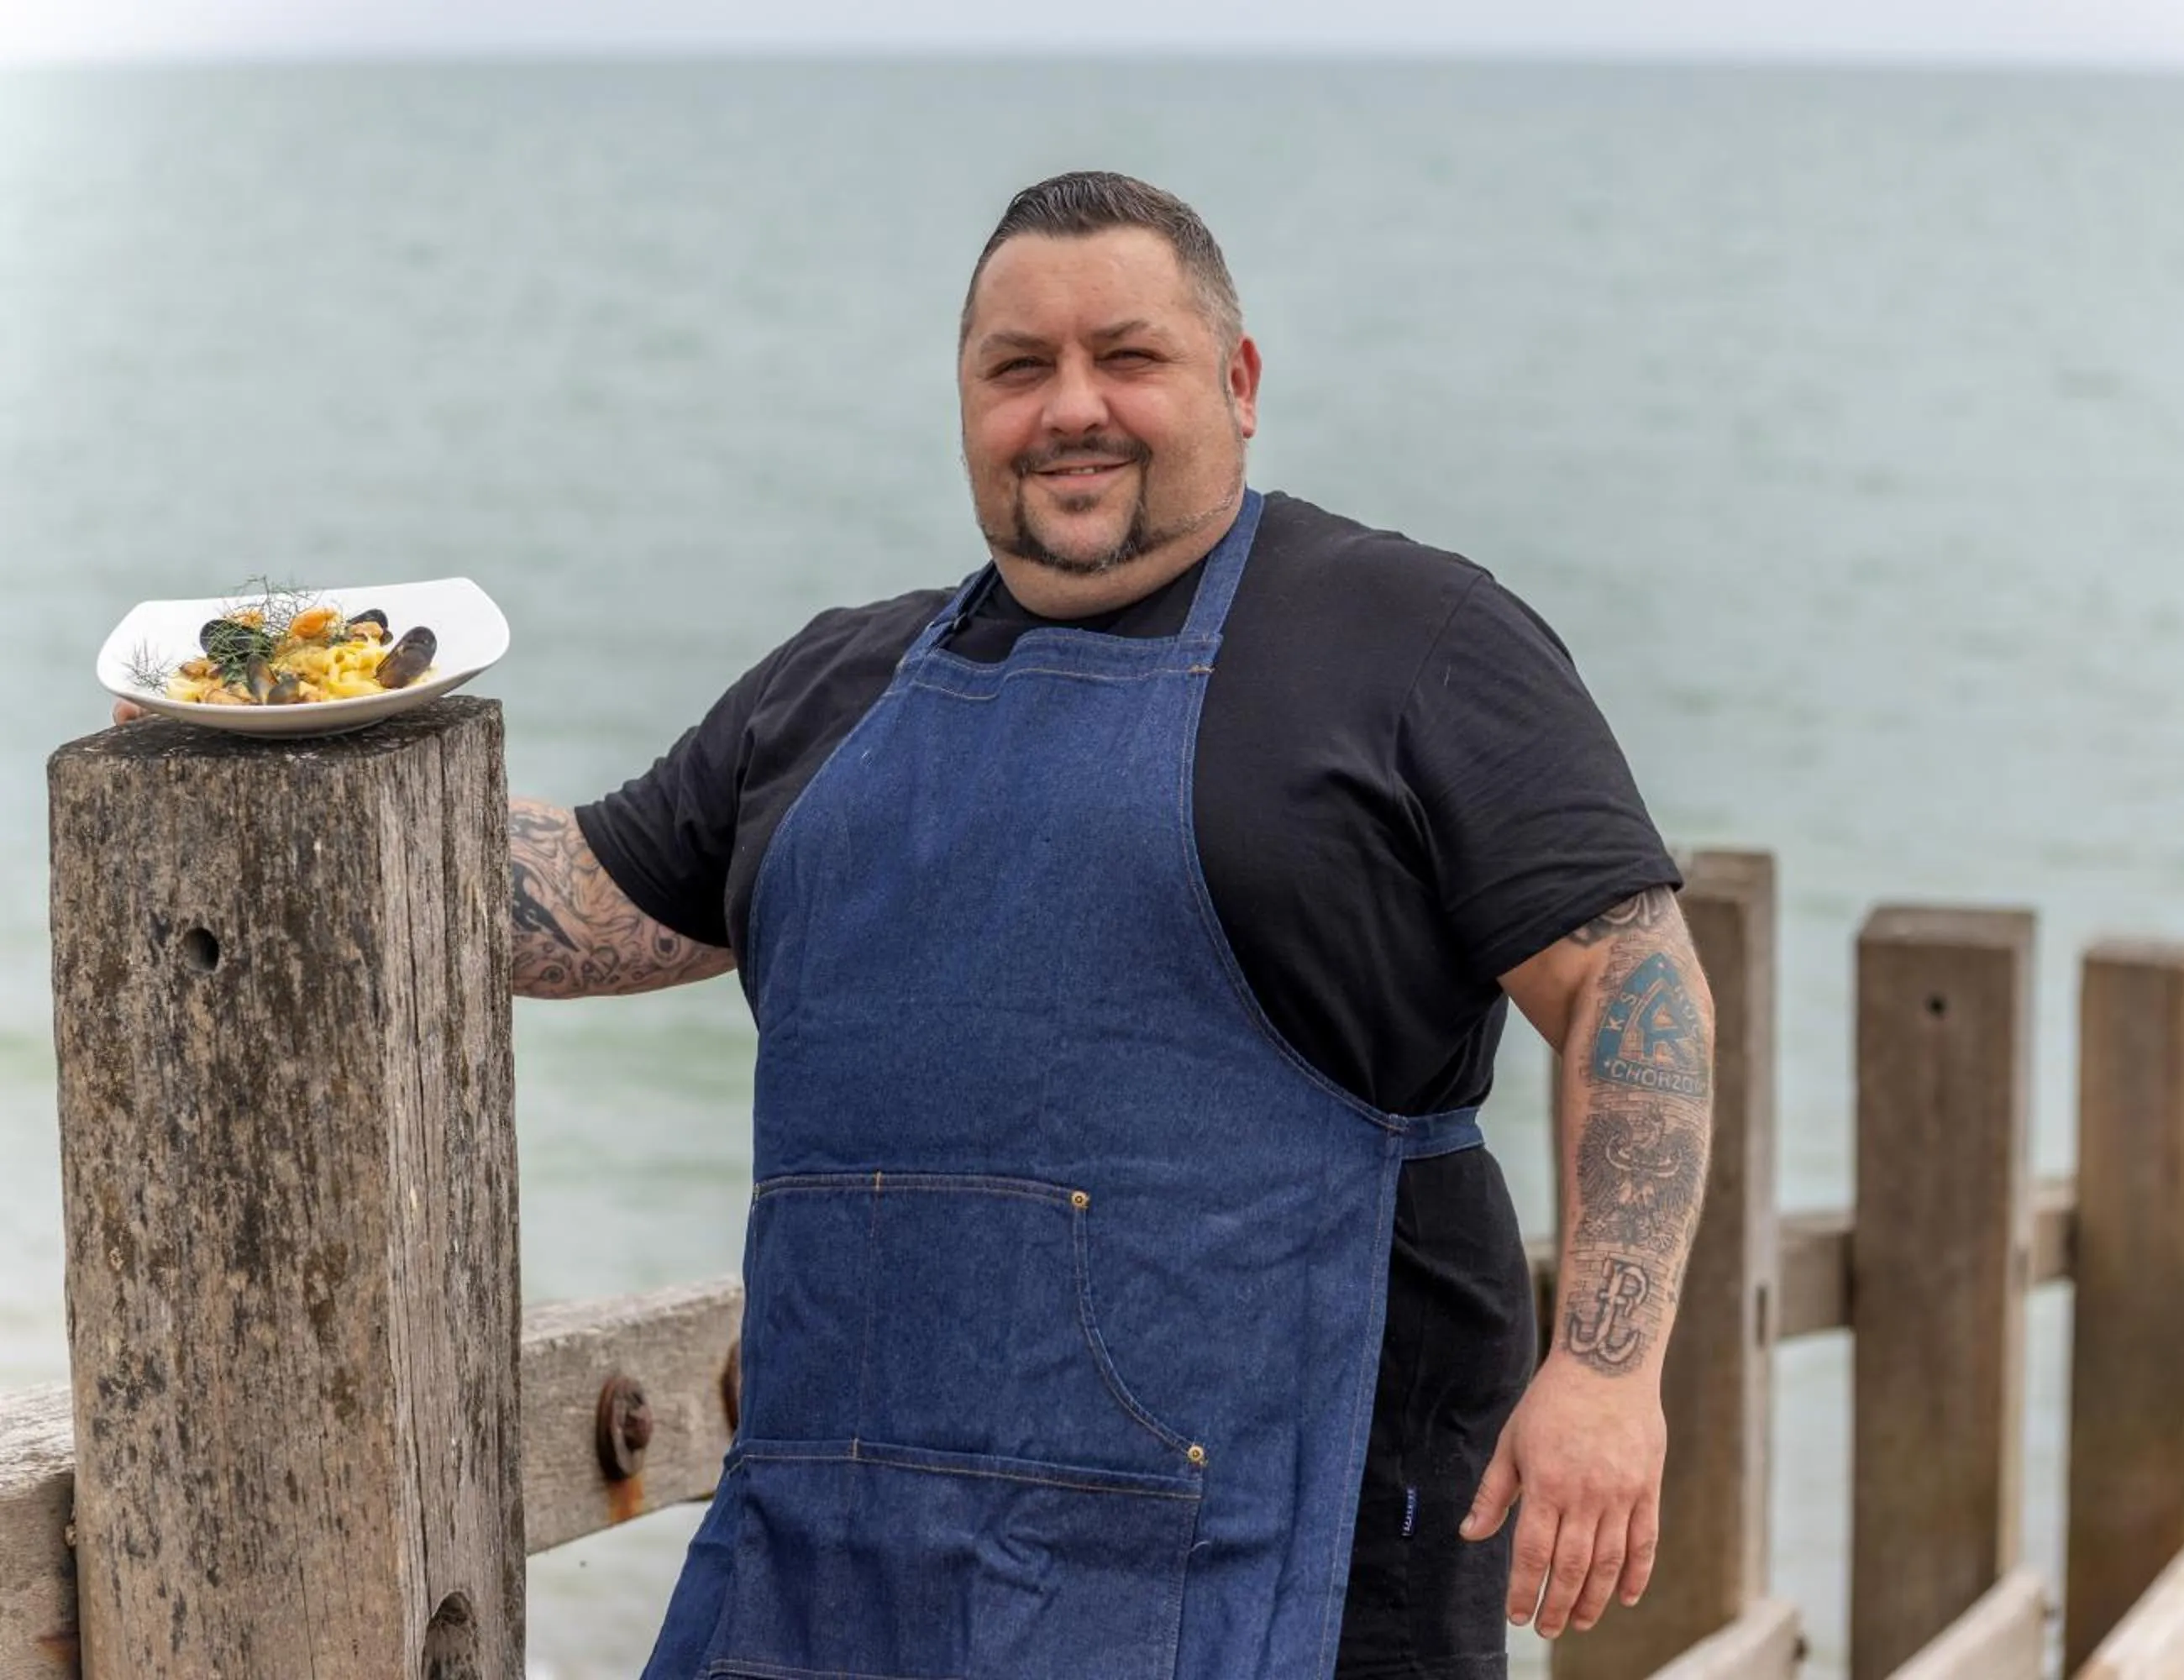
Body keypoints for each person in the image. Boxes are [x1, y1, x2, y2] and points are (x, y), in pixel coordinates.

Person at [508, 172, 1715, 1680]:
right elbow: (581, 907)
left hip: (1281, 1566)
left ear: (1238, 380)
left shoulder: (1414, 638)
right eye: (1019, 369)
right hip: (839, 1571)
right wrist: (319, 725)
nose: (1071, 407)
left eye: (1126, 358)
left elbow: (1630, 978)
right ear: (966, 403)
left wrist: (1607, 1372)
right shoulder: (831, 690)